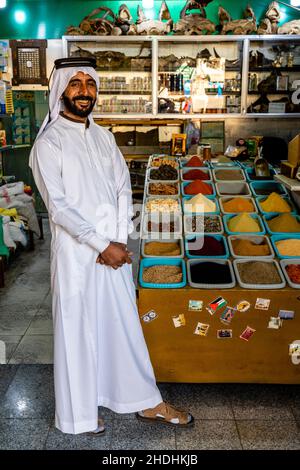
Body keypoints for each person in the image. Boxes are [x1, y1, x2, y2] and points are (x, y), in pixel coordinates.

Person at [29, 57, 194, 435]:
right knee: (77, 332)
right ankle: (79, 416)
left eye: (90, 83)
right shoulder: (48, 144)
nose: (84, 90)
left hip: (113, 253)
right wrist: (101, 244)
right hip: (76, 257)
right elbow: (59, 207)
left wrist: (117, 239)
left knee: (123, 326)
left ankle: (146, 400)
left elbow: (123, 187)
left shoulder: (104, 137)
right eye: (75, 83)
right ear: (61, 90)